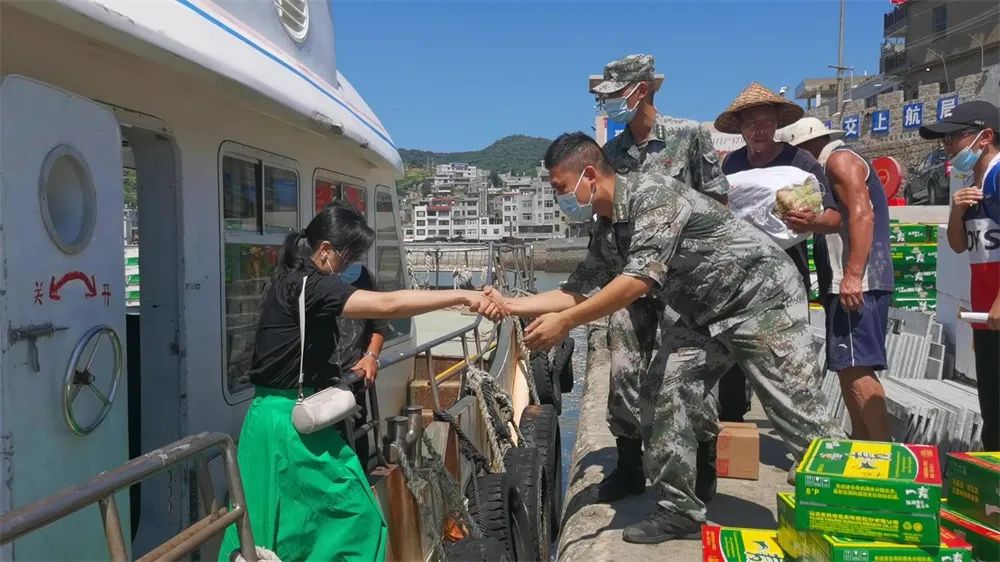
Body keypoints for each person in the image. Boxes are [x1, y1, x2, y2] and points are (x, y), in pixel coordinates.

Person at [480, 133, 843, 543]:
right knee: (664, 392)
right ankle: (680, 511)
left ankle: (852, 509)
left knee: (797, 412)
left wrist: (565, 323)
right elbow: (577, 288)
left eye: (561, 188)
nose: (559, 198)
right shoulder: (607, 224)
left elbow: (637, 281)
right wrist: (510, 305)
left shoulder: (651, 196)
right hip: (704, 314)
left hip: (760, 298)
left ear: (588, 174)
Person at [218, 202, 504, 561]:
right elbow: (388, 304)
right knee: (354, 515)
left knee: (274, 529)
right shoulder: (313, 285)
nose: (350, 266)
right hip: (288, 426)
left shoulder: (290, 281)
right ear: (325, 250)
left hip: (274, 419)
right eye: (348, 256)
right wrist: (464, 295)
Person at [590, 53, 727, 503]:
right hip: (632, 279)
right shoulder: (611, 153)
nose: (607, 104)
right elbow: (607, 215)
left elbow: (717, 204)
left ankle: (702, 467)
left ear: (641, 90)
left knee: (685, 375)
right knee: (624, 369)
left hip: (683, 283)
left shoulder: (688, 137)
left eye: (614, 96)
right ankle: (629, 465)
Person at [715, 83, 842, 423]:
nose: (760, 129)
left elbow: (834, 217)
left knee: (792, 359)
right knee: (731, 356)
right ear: (740, 128)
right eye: (752, 122)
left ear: (776, 125)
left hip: (787, 275)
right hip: (737, 276)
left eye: (767, 121)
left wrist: (811, 222)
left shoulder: (799, 161)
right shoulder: (731, 165)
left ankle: (803, 440)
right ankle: (732, 430)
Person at [782, 117, 894, 441]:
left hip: (860, 282)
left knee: (858, 368)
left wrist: (853, 275)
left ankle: (885, 455)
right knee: (847, 366)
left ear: (806, 147)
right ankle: (863, 448)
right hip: (845, 281)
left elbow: (862, 214)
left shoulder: (839, 161)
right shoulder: (824, 172)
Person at [920, 100, 1000, 451]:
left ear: (985, 137)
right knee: (992, 408)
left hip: (996, 309)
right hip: (985, 316)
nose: (948, 146)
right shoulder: (971, 181)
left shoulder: (998, 176)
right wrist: (957, 211)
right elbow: (957, 244)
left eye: (954, 137)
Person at [335, 263, 386, 465]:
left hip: (353, 381)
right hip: (316, 390)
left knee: (356, 450)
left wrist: (371, 355)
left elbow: (379, 323)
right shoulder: (309, 280)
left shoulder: (363, 275)